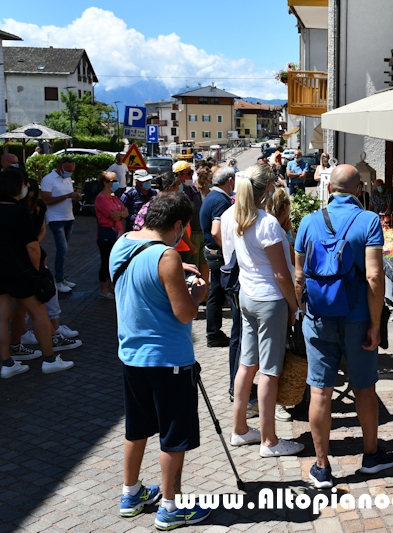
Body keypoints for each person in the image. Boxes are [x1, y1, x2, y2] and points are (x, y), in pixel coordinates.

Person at [110, 193, 211, 529]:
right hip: (169, 360)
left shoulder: (122, 243)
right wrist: (200, 290)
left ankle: (131, 493)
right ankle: (171, 505)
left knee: (136, 428)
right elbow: (185, 313)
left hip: (132, 356)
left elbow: (144, 265)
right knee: (173, 435)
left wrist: (174, 269)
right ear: (179, 225)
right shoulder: (166, 256)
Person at [294, 164, 393, 489]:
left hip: (318, 317)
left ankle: (322, 467)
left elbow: (299, 277)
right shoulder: (367, 220)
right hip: (357, 318)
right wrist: (376, 324)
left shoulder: (309, 222)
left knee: (319, 390)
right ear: (358, 191)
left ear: (328, 189)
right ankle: (370, 456)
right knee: (364, 388)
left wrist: (301, 311)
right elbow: (374, 276)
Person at [222, 164, 303, 458]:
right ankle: (269, 440)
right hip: (269, 301)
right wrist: (294, 307)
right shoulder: (266, 222)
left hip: (248, 296)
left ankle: (240, 429)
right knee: (270, 370)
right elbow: (282, 275)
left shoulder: (234, 215)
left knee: (247, 364)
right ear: (267, 189)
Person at [0, 168, 74, 378]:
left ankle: (7, 363)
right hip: (21, 270)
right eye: (23, 184)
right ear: (16, 188)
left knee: (0, 317)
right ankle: (50, 359)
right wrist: (36, 270)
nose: (26, 187)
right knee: (38, 313)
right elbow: (32, 246)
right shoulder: (19, 212)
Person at [17, 178, 81, 350]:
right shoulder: (18, 210)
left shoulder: (38, 206)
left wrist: (35, 244)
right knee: (31, 302)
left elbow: (41, 230)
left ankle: (52, 330)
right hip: (25, 255)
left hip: (34, 251)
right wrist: (32, 246)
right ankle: (47, 344)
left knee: (46, 292)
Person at [265, 188, 296, 423]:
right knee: (278, 354)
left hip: (266, 295)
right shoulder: (278, 231)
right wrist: (293, 305)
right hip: (279, 295)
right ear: (285, 208)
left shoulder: (266, 225)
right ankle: (278, 402)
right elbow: (290, 267)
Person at [200, 166, 235, 349]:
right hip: (219, 255)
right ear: (230, 180)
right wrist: (227, 249)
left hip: (212, 253)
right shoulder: (221, 199)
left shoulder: (212, 196)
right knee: (229, 293)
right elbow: (216, 231)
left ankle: (213, 333)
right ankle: (234, 334)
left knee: (216, 294)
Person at [41, 157, 81, 293]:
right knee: (62, 249)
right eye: (68, 170)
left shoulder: (67, 178)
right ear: (60, 167)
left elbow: (68, 197)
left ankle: (62, 277)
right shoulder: (48, 179)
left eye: (72, 171)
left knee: (63, 250)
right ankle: (57, 280)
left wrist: (75, 198)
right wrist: (67, 196)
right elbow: (46, 200)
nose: (70, 173)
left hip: (69, 217)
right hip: (55, 219)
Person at [95, 171, 128, 299]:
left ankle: (111, 286)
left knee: (114, 261)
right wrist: (121, 213)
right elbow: (113, 215)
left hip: (117, 233)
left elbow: (125, 211)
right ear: (105, 183)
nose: (116, 183)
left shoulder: (113, 197)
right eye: (113, 181)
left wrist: (121, 213)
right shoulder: (101, 198)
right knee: (106, 261)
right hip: (106, 233)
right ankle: (103, 288)